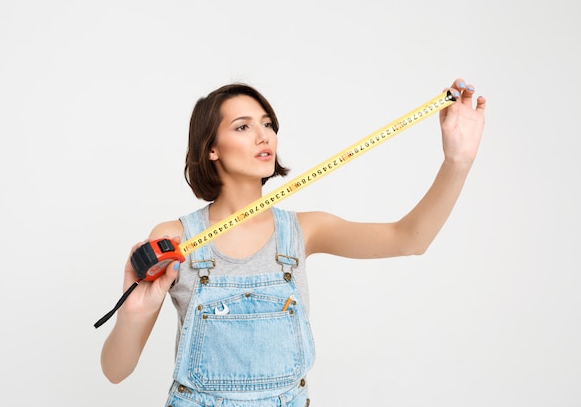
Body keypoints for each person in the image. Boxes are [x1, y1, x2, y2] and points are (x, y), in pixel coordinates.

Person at [100, 78, 486, 406]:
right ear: (210, 148)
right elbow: (116, 372)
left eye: (267, 124)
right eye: (242, 126)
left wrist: (458, 163)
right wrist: (134, 312)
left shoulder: (305, 230)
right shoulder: (175, 239)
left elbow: (408, 239)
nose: (263, 134)